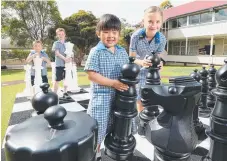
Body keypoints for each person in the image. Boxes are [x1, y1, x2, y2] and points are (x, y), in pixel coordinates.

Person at [84, 14, 130, 161]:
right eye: (106, 32)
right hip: (102, 98)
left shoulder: (122, 51)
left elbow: (128, 70)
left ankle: (112, 153)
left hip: (119, 98)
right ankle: (94, 155)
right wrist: (113, 83)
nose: (110, 36)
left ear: (119, 34)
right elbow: (92, 75)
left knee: (118, 128)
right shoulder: (95, 51)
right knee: (98, 130)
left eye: (114, 32)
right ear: (99, 33)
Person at [129, 6, 167, 113]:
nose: (154, 25)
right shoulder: (135, 36)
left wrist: (160, 64)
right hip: (139, 72)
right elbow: (131, 58)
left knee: (154, 100)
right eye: (150, 21)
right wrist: (141, 62)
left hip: (154, 74)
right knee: (141, 100)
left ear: (161, 23)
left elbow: (158, 58)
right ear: (144, 22)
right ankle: (142, 123)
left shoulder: (162, 39)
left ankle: (152, 123)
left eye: (157, 21)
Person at [52, 28, 72, 98]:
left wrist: (70, 58)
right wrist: (65, 59)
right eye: (59, 34)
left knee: (66, 79)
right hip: (59, 65)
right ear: (57, 35)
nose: (61, 35)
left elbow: (70, 54)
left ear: (65, 34)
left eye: (62, 34)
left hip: (67, 65)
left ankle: (65, 92)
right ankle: (54, 94)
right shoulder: (56, 43)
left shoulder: (67, 44)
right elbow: (57, 53)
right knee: (57, 79)